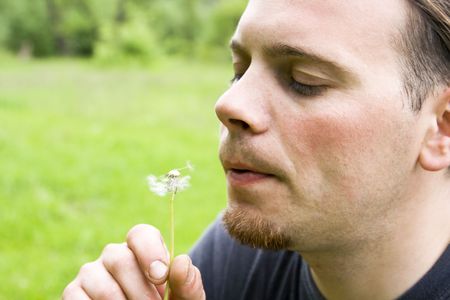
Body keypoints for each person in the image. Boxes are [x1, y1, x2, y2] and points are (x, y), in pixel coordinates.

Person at [63, 0, 450, 299]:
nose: (229, 103)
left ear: (441, 130)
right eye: (239, 69)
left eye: (304, 80)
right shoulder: (242, 257)